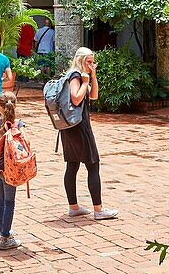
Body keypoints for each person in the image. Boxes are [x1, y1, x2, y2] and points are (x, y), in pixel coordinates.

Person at [60, 47, 117, 221]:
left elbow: (94, 96)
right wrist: (84, 82)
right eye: (89, 62)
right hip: (78, 127)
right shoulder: (75, 76)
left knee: (73, 165)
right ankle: (98, 210)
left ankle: (74, 207)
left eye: (93, 62)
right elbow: (76, 98)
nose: (91, 65)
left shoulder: (83, 75)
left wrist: (92, 77)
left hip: (70, 127)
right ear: (80, 60)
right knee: (93, 164)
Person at [0, 91, 22, 251]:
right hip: (10, 169)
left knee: (0, 200)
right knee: (9, 202)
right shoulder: (18, 125)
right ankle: (6, 237)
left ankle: (2, 233)